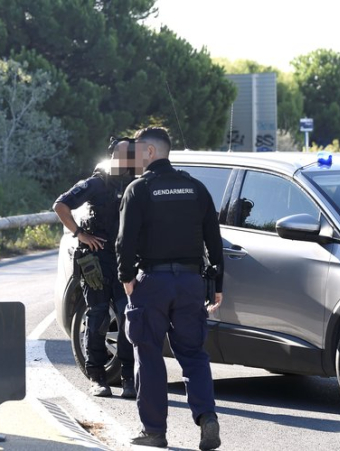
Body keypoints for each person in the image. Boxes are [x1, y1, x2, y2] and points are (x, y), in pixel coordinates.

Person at [116, 127, 223, 450]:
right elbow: (214, 239)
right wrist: (216, 284)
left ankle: (154, 432)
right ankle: (207, 417)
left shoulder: (139, 190)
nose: (132, 158)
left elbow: (125, 241)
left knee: (148, 354)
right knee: (193, 354)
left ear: (150, 152)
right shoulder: (196, 188)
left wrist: (126, 278)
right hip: (191, 284)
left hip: (153, 282)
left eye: (135, 151)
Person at [53, 138, 136, 398]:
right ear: (112, 155)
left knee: (126, 317)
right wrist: (80, 234)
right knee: (98, 316)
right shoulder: (95, 184)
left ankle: (128, 378)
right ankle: (97, 377)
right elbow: (60, 205)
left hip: (125, 261)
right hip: (97, 261)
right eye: (121, 154)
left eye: (129, 155)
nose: (125, 159)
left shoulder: (136, 184)